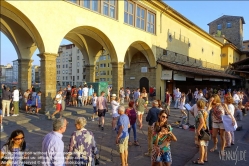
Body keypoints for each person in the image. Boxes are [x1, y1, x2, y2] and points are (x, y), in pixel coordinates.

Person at [192, 100, 209, 164]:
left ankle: (201, 160)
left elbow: (202, 122)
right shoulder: (205, 111)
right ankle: (202, 157)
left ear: (198, 105)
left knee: (201, 145)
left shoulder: (199, 112)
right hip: (205, 130)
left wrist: (198, 130)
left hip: (201, 130)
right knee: (204, 145)